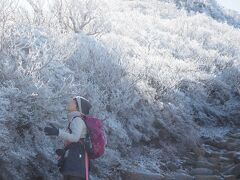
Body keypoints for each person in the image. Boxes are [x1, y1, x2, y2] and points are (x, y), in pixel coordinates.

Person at [44, 96, 92, 180]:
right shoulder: (74, 119)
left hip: (76, 160)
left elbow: (75, 138)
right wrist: (64, 152)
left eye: (73, 102)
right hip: (76, 159)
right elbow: (74, 142)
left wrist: (58, 132)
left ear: (78, 107)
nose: (70, 102)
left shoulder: (77, 120)